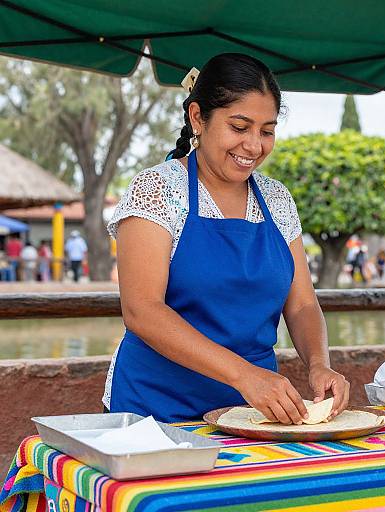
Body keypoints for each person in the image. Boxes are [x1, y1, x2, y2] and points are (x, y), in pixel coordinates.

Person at [102, 53, 349, 425]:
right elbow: (142, 311)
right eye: (239, 127)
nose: (253, 146)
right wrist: (245, 375)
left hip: (250, 416)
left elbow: (301, 305)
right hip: (155, 412)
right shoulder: (156, 190)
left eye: (267, 131)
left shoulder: (277, 199)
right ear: (198, 117)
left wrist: (318, 365)